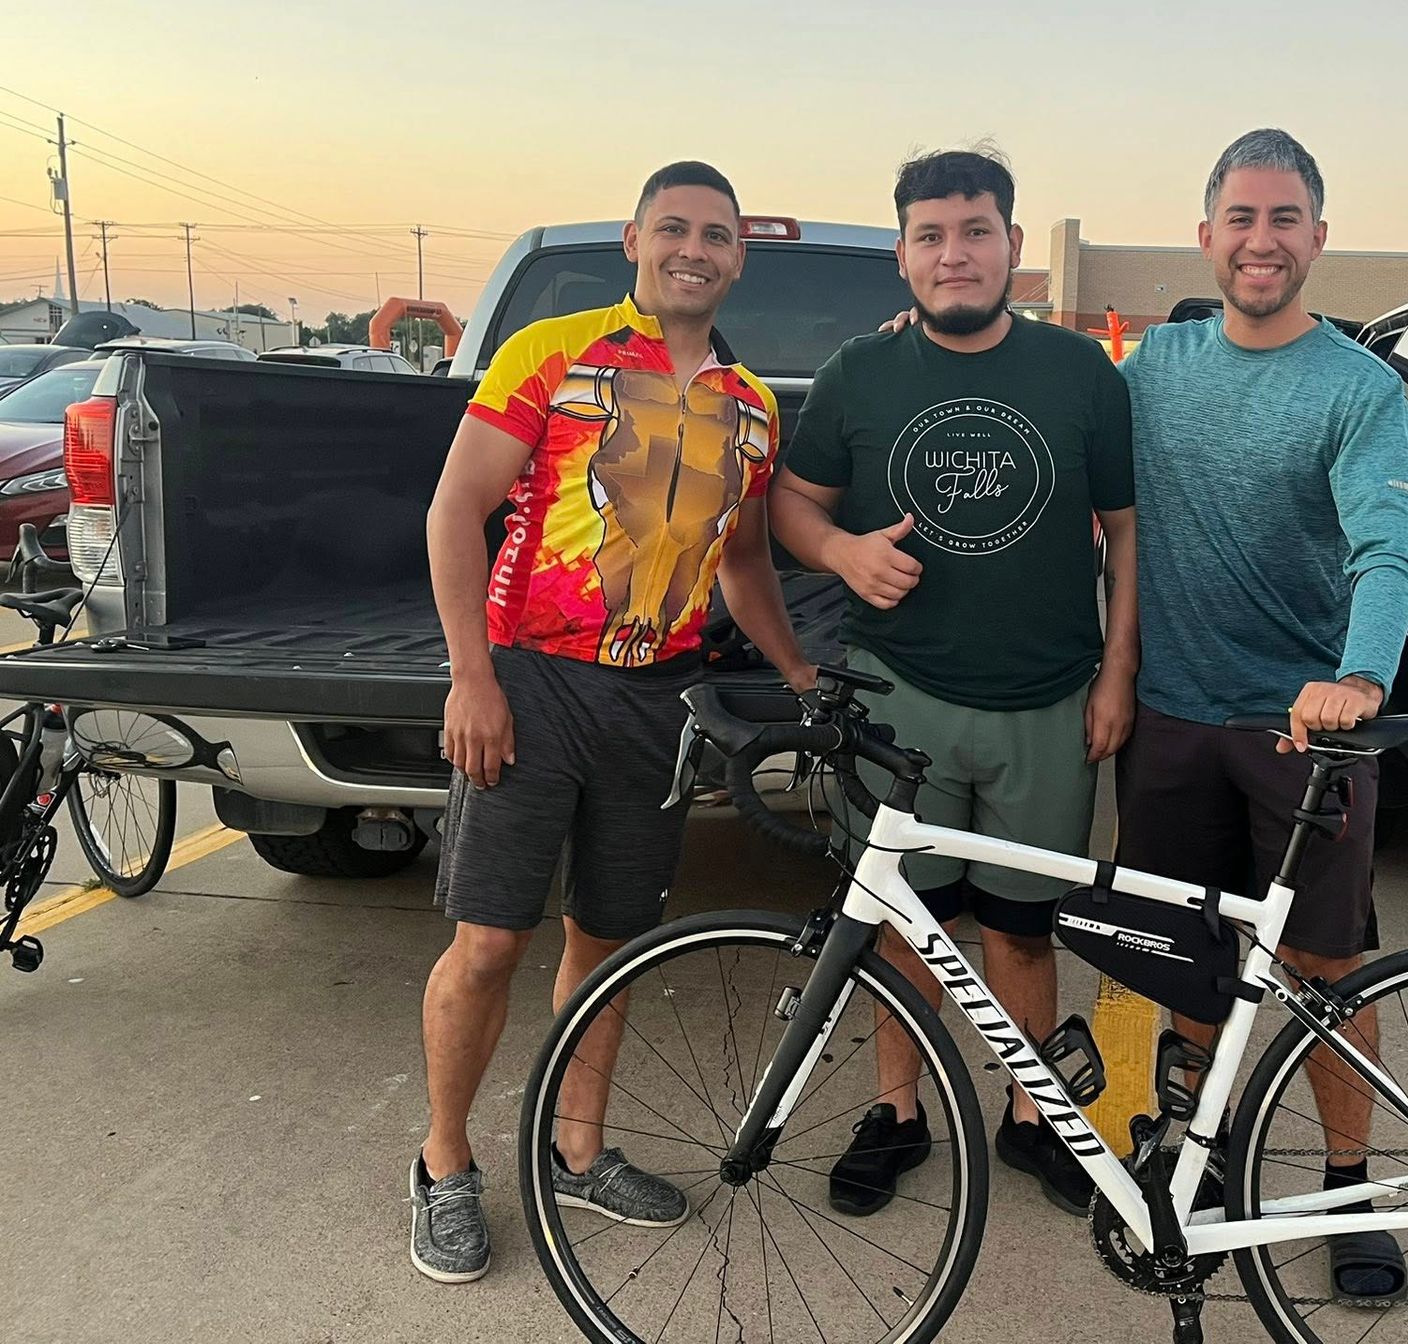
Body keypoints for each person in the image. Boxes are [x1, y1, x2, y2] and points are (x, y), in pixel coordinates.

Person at [411, 161, 815, 1284]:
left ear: (739, 257)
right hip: (533, 683)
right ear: (636, 239)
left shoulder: (753, 406)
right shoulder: (553, 351)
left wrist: (796, 669)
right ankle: (445, 1166)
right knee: (491, 940)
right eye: (674, 228)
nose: (694, 248)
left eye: (717, 235)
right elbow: (455, 510)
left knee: (609, 943)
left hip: (657, 696)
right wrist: (470, 679)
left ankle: (579, 1151)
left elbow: (742, 562)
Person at [771, 147, 1138, 1218]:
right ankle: (898, 1112)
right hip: (904, 697)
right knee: (901, 923)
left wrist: (1117, 674)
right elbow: (791, 507)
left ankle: (1033, 1120)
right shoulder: (860, 374)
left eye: (976, 231)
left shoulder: (1081, 375)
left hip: (1049, 700)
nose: (954, 253)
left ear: (1014, 247)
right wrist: (840, 553)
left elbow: (1124, 534)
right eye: (930, 235)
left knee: (1025, 930)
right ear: (902, 256)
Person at [1114, 128, 1408, 1306]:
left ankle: (1347, 1188)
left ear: (1318, 240)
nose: (1261, 240)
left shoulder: (1357, 388)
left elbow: (1388, 551)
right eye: (1241, 218)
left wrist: (1359, 678)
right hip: (1171, 720)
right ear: (1207, 236)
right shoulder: (1153, 368)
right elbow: (1048, 417)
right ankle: (1196, 1162)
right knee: (1185, 967)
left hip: (1302, 727)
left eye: (1285, 218)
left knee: (1328, 967)